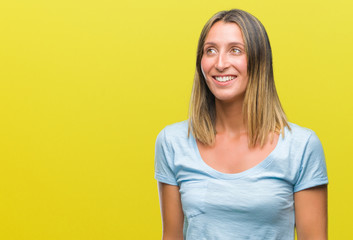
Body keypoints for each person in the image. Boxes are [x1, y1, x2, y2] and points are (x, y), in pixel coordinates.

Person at [154, 9, 328, 240]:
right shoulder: (172, 142)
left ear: (259, 61)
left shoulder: (302, 147)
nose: (220, 63)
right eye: (210, 51)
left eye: (235, 50)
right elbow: (172, 236)